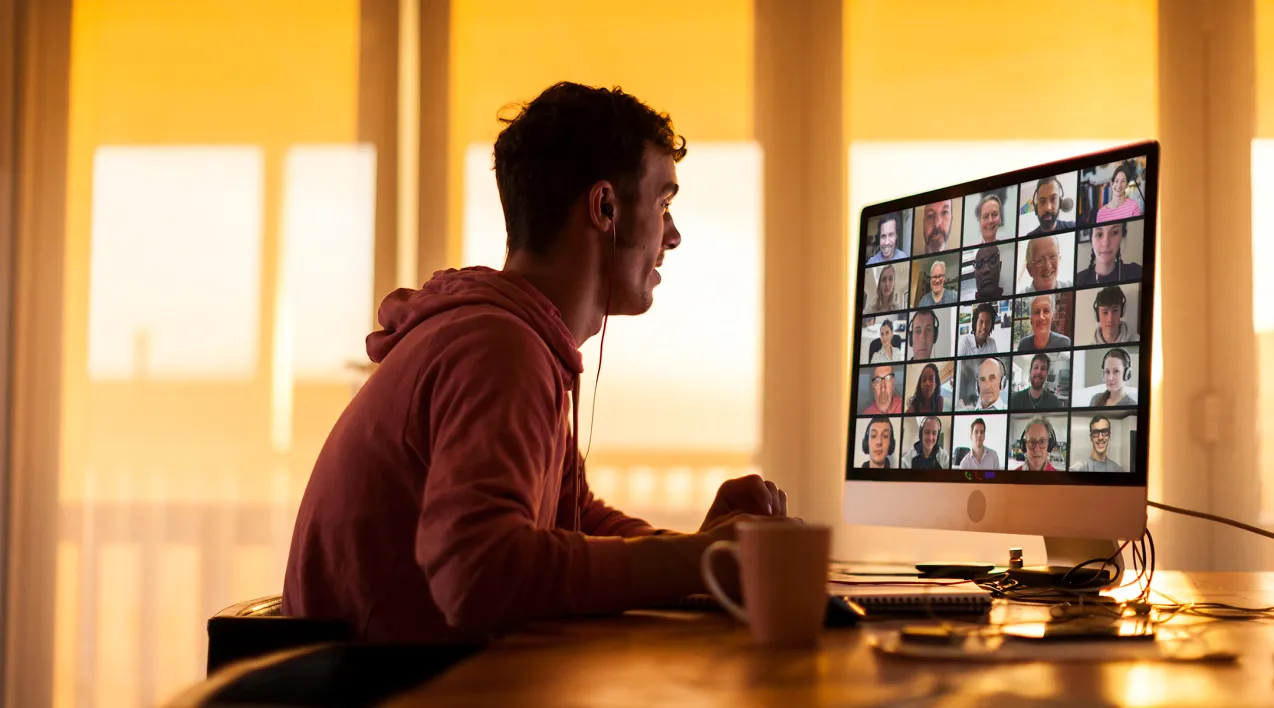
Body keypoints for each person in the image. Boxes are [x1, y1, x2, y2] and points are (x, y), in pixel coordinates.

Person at [282, 82, 791, 644]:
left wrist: (702, 545)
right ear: (605, 208)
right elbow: (479, 572)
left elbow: (572, 520)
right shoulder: (499, 350)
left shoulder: (498, 337)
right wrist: (702, 559)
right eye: (664, 203)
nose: (673, 235)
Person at [1075, 222, 1143, 286]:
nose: (1106, 243)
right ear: (1091, 239)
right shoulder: (1077, 280)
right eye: (1099, 234)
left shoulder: (1136, 272)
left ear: (1121, 237)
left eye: (1114, 232)